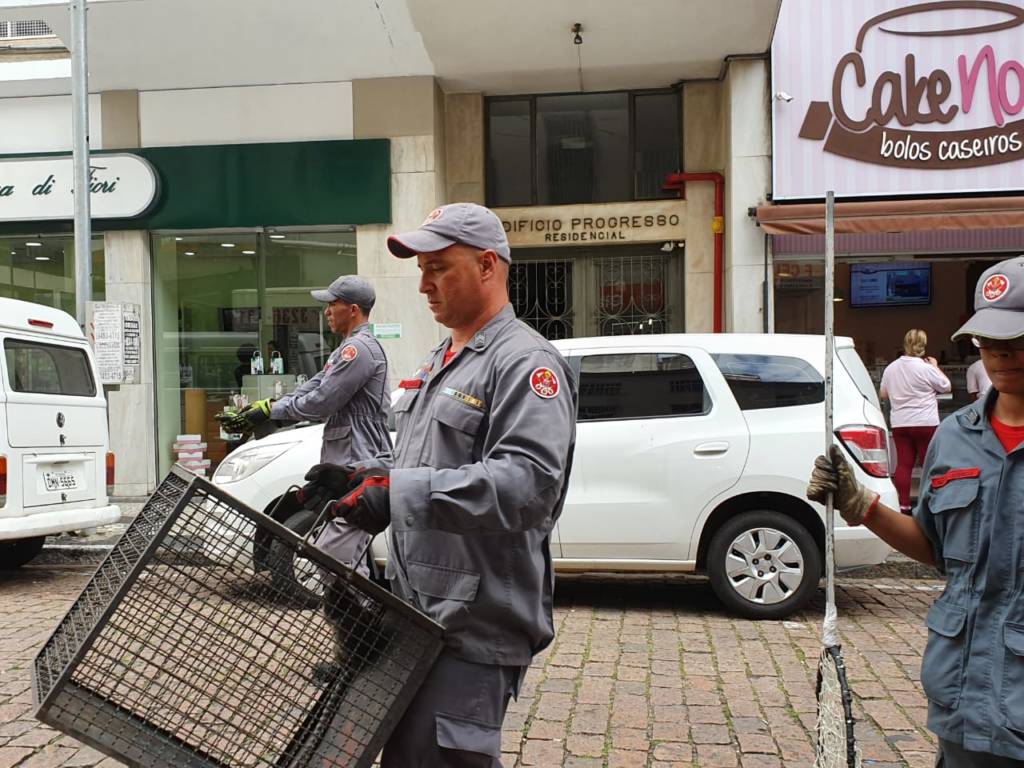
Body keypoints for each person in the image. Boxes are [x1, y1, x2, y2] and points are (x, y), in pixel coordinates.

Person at [300, 203, 577, 767]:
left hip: (472, 626)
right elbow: (432, 461)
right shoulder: (444, 356)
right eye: (421, 269)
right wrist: (366, 478)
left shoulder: (524, 362)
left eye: (439, 268)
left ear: (487, 266)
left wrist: (396, 495)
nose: (424, 284)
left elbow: (528, 484)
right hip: (423, 614)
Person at [807, 254, 1024, 767]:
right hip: (963, 699)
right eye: (988, 341)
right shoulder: (956, 437)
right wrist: (863, 505)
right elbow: (937, 549)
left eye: (1016, 340)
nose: (1000, 354)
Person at [218, 275, 392, 575]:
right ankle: (359, 618)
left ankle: (357, 617)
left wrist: (274, 410)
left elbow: (323, 400)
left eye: (332, 304)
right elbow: (312, 387)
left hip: (361, 462)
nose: (326, 311)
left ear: (352, 309)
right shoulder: (345, 350)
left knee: (334, 558)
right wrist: (266, 410)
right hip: (348, 461)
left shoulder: (358, 351)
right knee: (348, 560)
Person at [879, 329, 951, 513]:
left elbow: (883, 394)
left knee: (904, 464)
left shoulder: (891, 368)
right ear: (923, 345)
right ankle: (929, 504)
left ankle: (904, 505)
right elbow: (945, 386)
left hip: (901, 423)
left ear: (904, 344)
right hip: (926, 422)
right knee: (929, 464)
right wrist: (935, 365)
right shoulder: (925, 368)